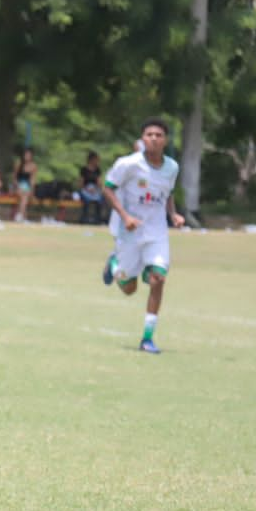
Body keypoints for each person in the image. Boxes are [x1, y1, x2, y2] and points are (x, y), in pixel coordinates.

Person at [100, 118, 186, 353]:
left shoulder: (172, 167)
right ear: (142, 138)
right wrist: (125, 216)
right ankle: (116, 265)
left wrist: (174, 214)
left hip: (156, 230)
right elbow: (107, 187)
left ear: (165, 140)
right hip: (130, 231)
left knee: (158, 279)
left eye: (158, 135)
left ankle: (147, 338)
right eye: (149, 134)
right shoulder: (128, 164)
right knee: (129, 289)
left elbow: (167, 193)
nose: (154, 138)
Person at [78, 151, 105, 225]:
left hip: (95, 190)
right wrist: (87, 189)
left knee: (100, 200)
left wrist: (99, 188)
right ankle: (84, 219)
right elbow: (81, 183)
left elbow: (99, 182)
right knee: (86, 201)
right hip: (86, 189)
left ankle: (98, 220)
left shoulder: (97, 170)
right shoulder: (84, 169)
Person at [13, 146, 38, 223]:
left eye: (29, 155)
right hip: (18, 187)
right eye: (26, 155)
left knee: (25, 196)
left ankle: (21, 216)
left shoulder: (33, 166)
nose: (27, 157)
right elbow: (14, 178)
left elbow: (32, 180)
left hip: (27, 188)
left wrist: (32, 191)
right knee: (24, 196)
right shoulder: (18, 164)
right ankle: (22, 217)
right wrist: (18, 186)